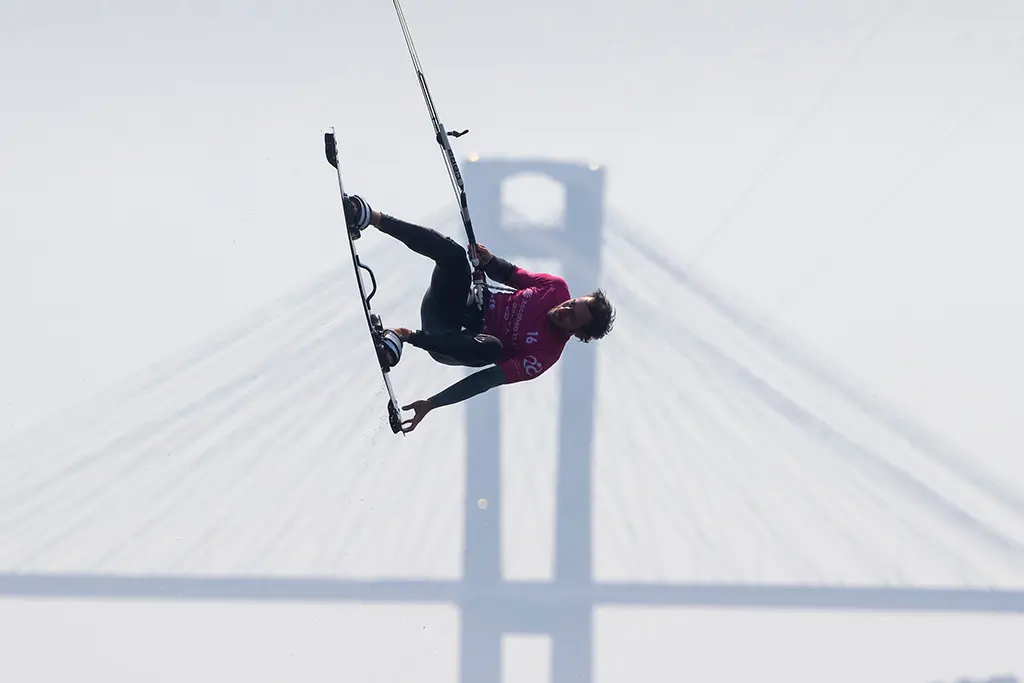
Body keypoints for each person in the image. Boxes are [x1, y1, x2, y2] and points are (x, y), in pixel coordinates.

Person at [345, 194, 615, 433]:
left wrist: (432, 403)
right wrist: (489, 260)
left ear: (578, 333)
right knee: (455, 255)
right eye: (572, 304)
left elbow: (485, 381)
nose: (564, 309)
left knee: (493, 349)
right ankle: (371, 217)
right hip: (446, 304)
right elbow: (509, 274)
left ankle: (401, 336)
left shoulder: (544, 356)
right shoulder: (556, 288)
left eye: (572, 317)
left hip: (447, 339)